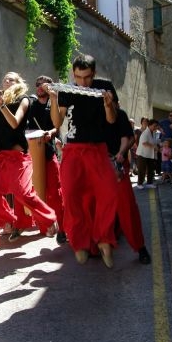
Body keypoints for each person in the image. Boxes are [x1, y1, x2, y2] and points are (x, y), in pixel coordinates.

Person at [0, 72, 57, 253]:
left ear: (19, 83)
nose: (6, 81)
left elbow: (14, 123)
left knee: (22, 193)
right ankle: (9, 221)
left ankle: (50, 218)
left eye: (11, 79)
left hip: (19, 157)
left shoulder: (24, 99)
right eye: (4, 79)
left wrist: (2, 105)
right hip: (0, 157)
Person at [51, 54, 118, 268]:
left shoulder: (105, 86)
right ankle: (79, 242)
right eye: (78, 77)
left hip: (98, 149)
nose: (83, 82)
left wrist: (108, 104)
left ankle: (104, 239)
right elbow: (57, 122)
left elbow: (112, 119)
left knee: (109, 192)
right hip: (72, 150)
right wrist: (53, 99)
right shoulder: (68, 90)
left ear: (94, 73)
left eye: (87, 77)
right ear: (73, 74)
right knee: (70, 195)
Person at [9, 75, 66, 245]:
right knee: (22, 191)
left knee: (55, 192)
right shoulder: (30, 103)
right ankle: (20, 224)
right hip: (29, 155)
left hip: (48, 153)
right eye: (38, 84)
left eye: (44, 84)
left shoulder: (53, 103)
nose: (40, 87)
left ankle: (61, 228)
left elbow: (57, 125)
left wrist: (52, 133)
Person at [104, 107, 152, 264]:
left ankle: (140, 247)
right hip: (99, 165)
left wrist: (121, 154)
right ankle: (100, 244)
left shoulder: (120, 114)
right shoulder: (91, 112)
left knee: (127, 206)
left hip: (117, 163)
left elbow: (130, 138)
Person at [136, 119, 160, 189]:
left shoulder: (152, 132)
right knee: (141, 169)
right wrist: (154, 146)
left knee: (150, 169)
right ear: (149, 125)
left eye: (156, 126)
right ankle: (139, 184)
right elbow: (144, 143)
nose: (155, 128)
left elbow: (153, 142)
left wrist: (157, 144)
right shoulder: (145, 132)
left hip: (149, 154)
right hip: (142, 154)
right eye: (154, 126)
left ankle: (149, 183)